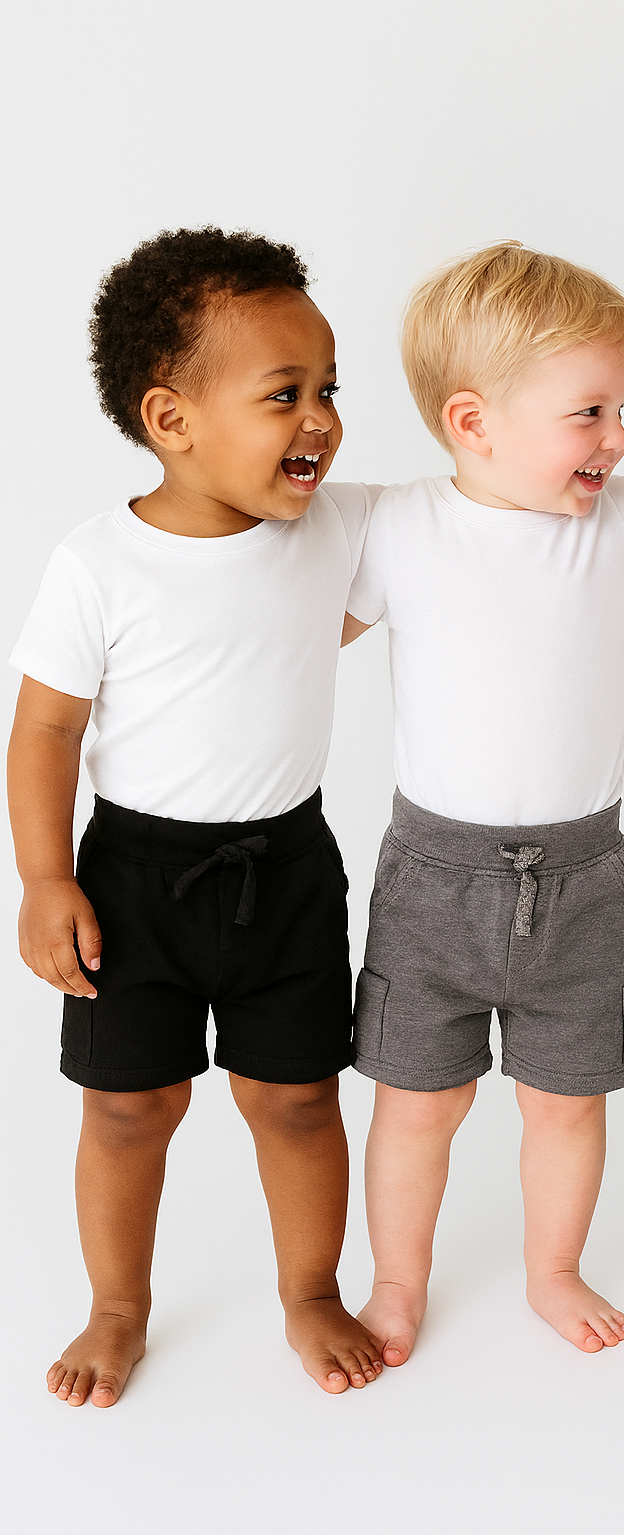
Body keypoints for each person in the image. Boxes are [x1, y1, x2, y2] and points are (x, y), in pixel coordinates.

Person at [342, 240, 624, 1364]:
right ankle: (396, 1280)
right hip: (433, 878)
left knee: (567, 1101)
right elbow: (297, 628)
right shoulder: (396, 525)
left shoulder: (617, 519)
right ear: (472, 422)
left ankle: (553, 1269)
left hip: (584, 873)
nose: (618, 438)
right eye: (589, 412)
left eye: (622, 408)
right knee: (416, 1103)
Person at [7, 227, 385, 1406]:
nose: (320, 420)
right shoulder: (97, 565)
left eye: (329, 390)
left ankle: (310, 1291)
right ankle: (117, 1308)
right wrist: (46, 879)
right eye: (284, 394)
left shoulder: (338, 531)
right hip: (131, 881)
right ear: (171, 419)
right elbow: (45, 732)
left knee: (299, 1098)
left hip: (288, 870)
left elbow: (477, 513)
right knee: (130, 1110)